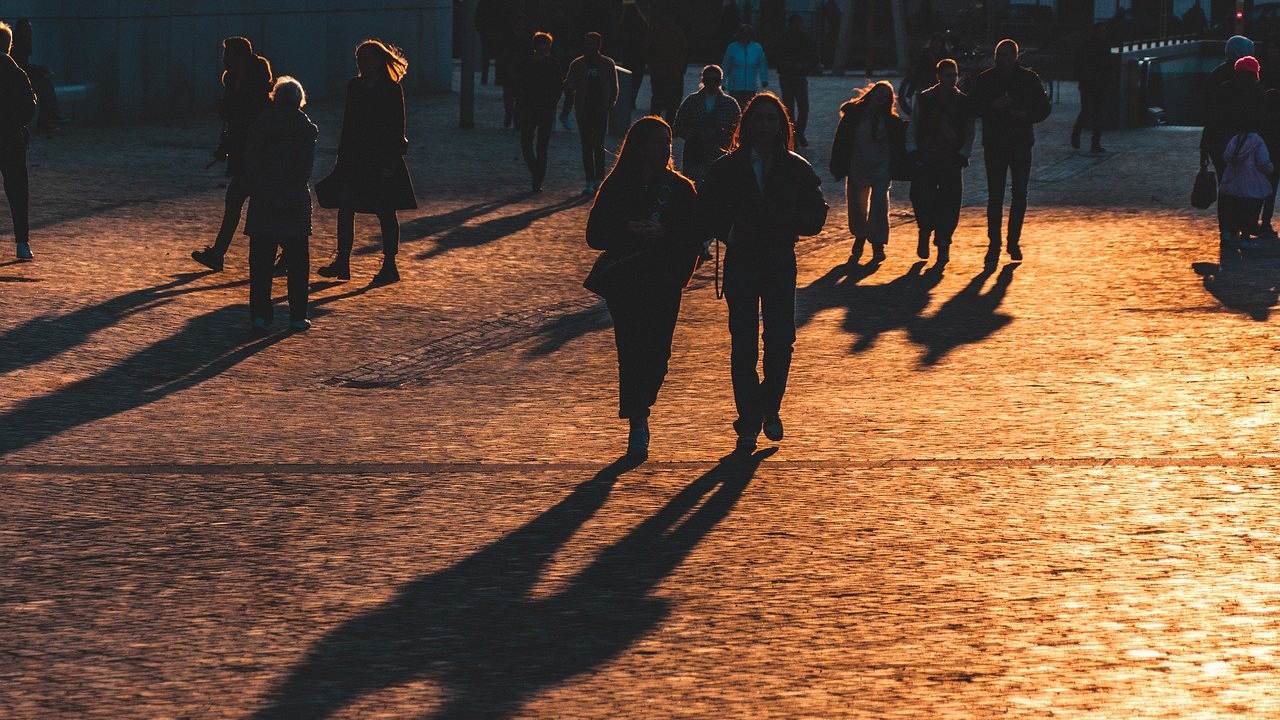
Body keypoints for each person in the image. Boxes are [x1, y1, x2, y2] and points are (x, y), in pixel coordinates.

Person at [700, 94, 826, 454]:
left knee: (780, 339)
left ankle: (769, 406)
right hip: (741, 261)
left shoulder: (796, 167)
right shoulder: (728, 167)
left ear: (782, 125)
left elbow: (816, 215)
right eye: (760, 119)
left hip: (778, 260)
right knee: (743, 342)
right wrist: (729, 230)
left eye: (773, 120)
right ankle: (750, 416)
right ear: (748, 124)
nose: (766, 126)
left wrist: (786, 222)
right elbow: (706, 209)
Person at [585, 116, 701, 461]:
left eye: (667, 141)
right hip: (628, 280)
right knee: (631, 348)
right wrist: (629, 229)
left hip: (664, 279)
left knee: (658, 354)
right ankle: (638, 418)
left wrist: (665, 235)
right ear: (639, 145)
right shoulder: (618, 184)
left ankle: (641, 404)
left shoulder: (680, 189)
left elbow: (694, 237)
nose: (665, 147)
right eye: (656, 141)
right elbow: (595, 235)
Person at [317, 39, 416, 285]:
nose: (361, 63)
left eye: (366, 58)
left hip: (381, 158)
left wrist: (391, 162)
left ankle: (390, 264)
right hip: (356, 158)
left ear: (379, 60)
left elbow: (396, 126)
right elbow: (348, 125)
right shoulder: (355, 86)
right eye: (359, 59)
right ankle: (342, 261)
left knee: (385, 212)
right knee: (346, 208)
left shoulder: (392, 89)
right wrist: (341, 158)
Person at [191, 37, 272, 272]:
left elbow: (241, 120)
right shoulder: (239, 81)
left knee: (238, 201)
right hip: (246, 153)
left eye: (227, 53)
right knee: (251, 203)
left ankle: (219, 253)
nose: (224, 58)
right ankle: (220, 253)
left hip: (254, 155)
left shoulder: (247, 86)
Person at [244, 76, 318, 332]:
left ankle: (260, 315)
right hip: (293, 200)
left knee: (261, 262)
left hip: (264, 198)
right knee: (298, 262)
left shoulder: (261, 124)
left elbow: (252, 162)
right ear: (300, 101)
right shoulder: (306, 128)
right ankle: (297, 315)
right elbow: (303, 171)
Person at [970, 38, 1050, 264]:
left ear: (1015, 56)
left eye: (1005, 55)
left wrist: (1024, 115)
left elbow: (1044, 109)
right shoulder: (986, 79)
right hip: (997, 142)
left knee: (1018, 195)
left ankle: (1012, 242)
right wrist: (993, 107)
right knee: (996, 196)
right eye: (999, 55)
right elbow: (974, 108)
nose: (1001, 59)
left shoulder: (1028, 78)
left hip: (1019, 142)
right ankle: (995, 244)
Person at [830, 81, 907, 264]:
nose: (881, 98)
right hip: (858, 164)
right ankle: (860, 236)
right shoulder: (853, 115)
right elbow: (841, 141)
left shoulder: (891, 122)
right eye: (879, 93)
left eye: (885, 96)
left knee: (879, 206)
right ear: (871, 94)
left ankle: (877, 244)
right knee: (857, 207)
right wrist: (838, 165)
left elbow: (899, 145)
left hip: (882, 167)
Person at [906, 58, 974, 262]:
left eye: (954, 75)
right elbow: (914, 125)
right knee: (921, 197)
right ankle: (925, 231)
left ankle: (943, 243)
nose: (952, 79)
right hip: (927, 156)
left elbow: (970, 130)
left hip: (951, 158)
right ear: (939, 76)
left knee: (951, 203)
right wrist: (914, 151)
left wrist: (964, 153)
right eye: (948, 75)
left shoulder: (963, 101)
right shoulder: (924, 98)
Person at [564, 32, 619, 195]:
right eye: (588, 43)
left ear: (599, 44)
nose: (590, 46)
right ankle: (591, 180)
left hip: (600, 109)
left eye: (593, 43)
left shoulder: (607, 63)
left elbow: (614, 86)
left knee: (598, 145)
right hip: (584, 109)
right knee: (588, 146)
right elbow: (570, 84)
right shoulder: (578, 64)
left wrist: (611, 103)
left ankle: (598, 179)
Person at [1218, 105, 1273, 262]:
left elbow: (1226, 156)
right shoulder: (1257, 141)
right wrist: (1270, 169)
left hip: (1232, 182)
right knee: (1250, 211)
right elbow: (1263, 162)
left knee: (1232, 209)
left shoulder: (1235, 139)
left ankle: (1228, 234)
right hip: (1252, 183)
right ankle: (1246, 237)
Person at [0, 22, 36, 261]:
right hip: (11, 139)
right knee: (17, 192)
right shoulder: (16, 72)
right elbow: (30, 108)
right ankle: (22, 243)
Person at [672, 65, 741, 184]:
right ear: (703, 80)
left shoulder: (730, 104)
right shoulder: (691, 101)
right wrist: (693, 135)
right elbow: (677, 127)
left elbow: (739, 130)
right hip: (695, 155)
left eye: (716, 80)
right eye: (709, 80)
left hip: (720, 156)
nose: (712, 83)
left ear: (720, 81)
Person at [514, 32, 565, 192]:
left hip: (541, 109)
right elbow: (520, 86)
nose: (547, 48)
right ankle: (538, 173)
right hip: (533, 108)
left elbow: (558, 87)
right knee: (529, 145)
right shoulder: (532, 63)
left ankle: (537, 178)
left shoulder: (549, 64)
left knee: (538, 146)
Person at [1202, 35, 1255, 175]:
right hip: (1240, 134)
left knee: (1224, 176)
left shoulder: (1217, 73)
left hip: (1217, 136)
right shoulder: (1248, 75)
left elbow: (1208, 107)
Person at [11, 19, 64, 132]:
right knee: (45, 85)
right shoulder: (19, 45)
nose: (30, 32)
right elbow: (21, 67)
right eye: (28, 29)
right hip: (17, 79)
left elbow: (22, 66)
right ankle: (48, 119)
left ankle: (48, 119)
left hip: (18, 77)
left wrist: (38, 70)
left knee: (45, 84)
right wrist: (40, 70)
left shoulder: (18, 43)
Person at [774, 15, 818, 147]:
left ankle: (795, 133)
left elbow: (813, 57)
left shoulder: (787, 38)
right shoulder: (800, 38)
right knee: (794, 107)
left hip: (794, 75)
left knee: (797, 107)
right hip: (792, 75)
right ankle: (795, 134)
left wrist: (802, 67)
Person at [1072, 25, 1112, 153]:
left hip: (1089, 83)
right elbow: (1107, 65)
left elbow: (1079, 64)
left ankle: (1079, 136)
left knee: (1088, 111)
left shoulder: (1087, 45)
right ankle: (1094, 143)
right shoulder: (1103, 46)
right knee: (1095, 113)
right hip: (1095, 83)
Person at [645, 11, 687, 122]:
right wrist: (681, 69)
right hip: (674, 72)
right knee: (673, 104)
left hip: (659, 72)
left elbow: (648, 51)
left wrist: (652, 67)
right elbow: (684, 52)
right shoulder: (678, 33)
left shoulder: (656, 32)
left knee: (657, 101)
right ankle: (669, 126)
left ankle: (654, 125)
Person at [721, 24, 770, 107]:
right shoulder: (732, 47)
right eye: (743, 33)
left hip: (751, 87)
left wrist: (764, 79)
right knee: (735, 109)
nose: (745, 36)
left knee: (749, 110)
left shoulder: (757, 47)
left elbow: (762, 64)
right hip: (735, 86)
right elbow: (726, 65)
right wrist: (722, 82)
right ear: (739, 34)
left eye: (748, 34)